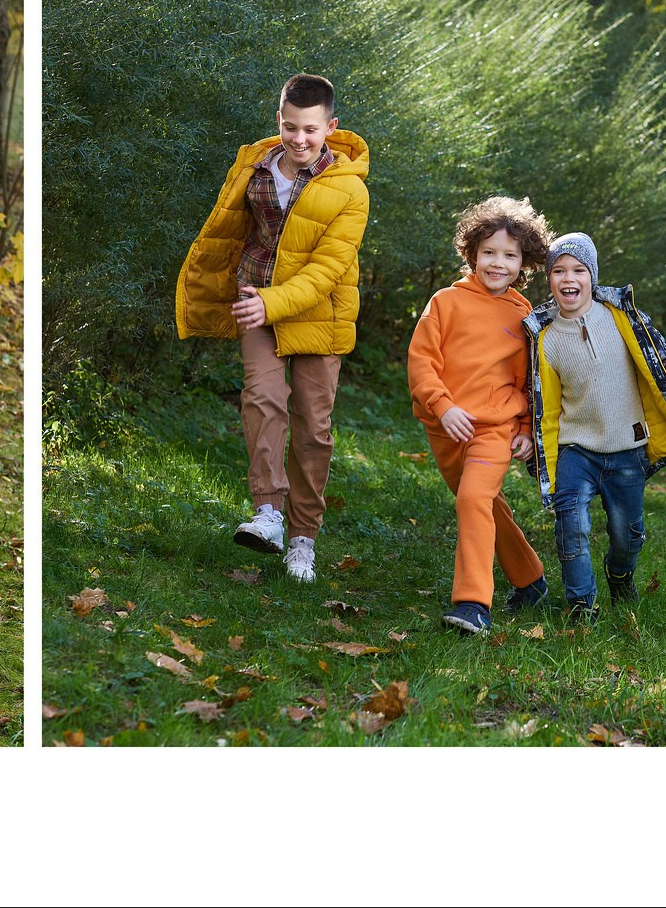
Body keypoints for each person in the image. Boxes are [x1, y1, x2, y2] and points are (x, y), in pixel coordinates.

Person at [174, 74, 370, 584]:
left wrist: (272, 303)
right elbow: (228, 232)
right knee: (261, 396)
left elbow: (327, 270)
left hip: (319, 315)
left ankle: (303, 538)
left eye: (310, 130)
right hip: (254, 300)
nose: (299, 139)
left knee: (313, 426)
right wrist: (224, 290)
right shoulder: (254, 167)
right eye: (290, 127)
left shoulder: (350, 189)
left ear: (331, 127)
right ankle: (268, 513)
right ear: (278, 120)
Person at [519, 232, 666, 621]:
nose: (569, 278)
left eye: (578, 270)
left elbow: (658, 363)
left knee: (628, 536)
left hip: (627, 446)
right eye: (559, 271)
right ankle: (581, 604)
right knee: (571, 523)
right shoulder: (545, 340)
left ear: (592, 276)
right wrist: (543, 456)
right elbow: (545, 408)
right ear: (549, 279)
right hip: (576, 449)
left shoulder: (622, 319)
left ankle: (619, 575)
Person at [408, 196, 553, 635]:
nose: (498, 263)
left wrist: (525, 427)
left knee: (473, 499)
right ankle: (530, 578)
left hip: (495, 429)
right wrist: (443, 406)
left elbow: (530, 381)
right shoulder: (445, 302)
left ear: (524, 262)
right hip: (446, 426)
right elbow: (421, 361)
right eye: (489, 252)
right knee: (484, 503)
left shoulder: (523, 315)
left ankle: (473, 603)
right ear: (472, 252)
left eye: (509, 255)